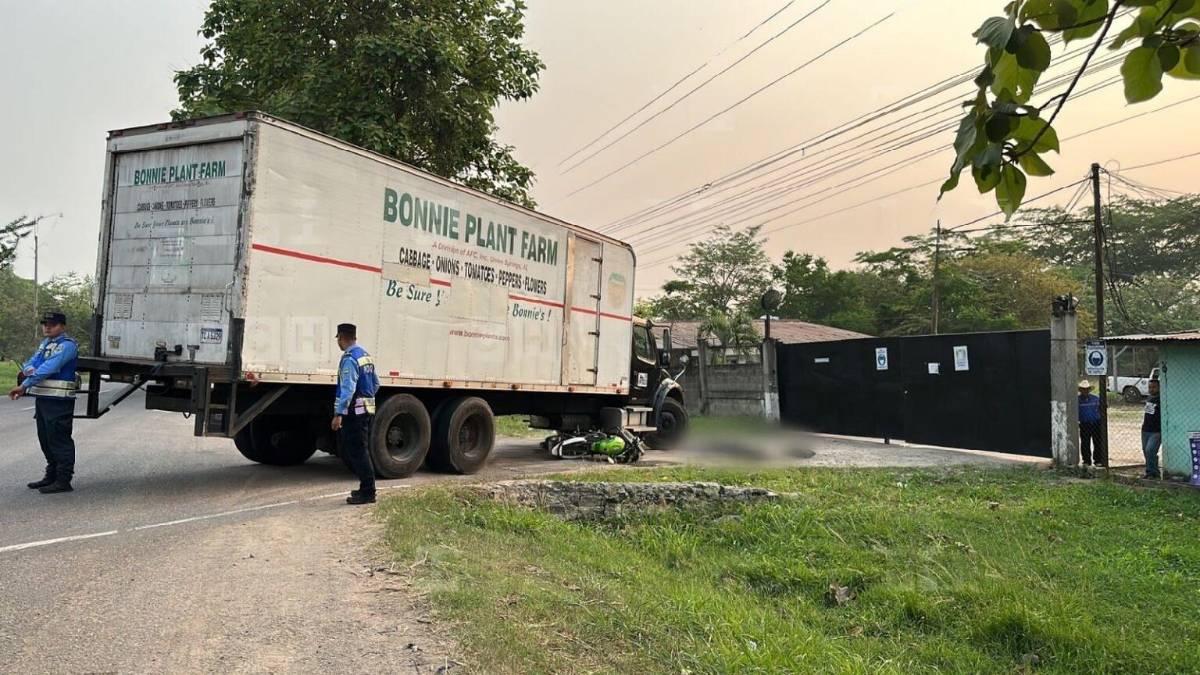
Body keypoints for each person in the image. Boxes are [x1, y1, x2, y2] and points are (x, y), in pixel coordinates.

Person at [8, 311, 79, 493]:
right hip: (44, 399)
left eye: (52, 324)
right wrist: (30, 370)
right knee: (45, 439)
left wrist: (24, 385)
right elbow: (29, 363)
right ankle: (51, 475)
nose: (47, 327)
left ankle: (63, 479)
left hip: (59, 400)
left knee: (59, 439)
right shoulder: (46, 344)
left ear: (63, 326)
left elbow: (48, 367)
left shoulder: (66, 346)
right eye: (45, 324)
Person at [332, 323, 380, 505]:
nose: (338, 342)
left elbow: (348, 389)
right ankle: (365, 488)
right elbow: (376, 384)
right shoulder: (365, 356)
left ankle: (368, 492)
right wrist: (366, 398)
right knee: (359, 450)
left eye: (338, 339)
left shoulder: (350, 358)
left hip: (354, 413)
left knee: (358, 452)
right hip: (366, 410)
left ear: (341, 338)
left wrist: (339, 414)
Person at [1077, 379, 1105, 467]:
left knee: (1097, 442)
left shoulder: (1096, 398)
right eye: (1083, 389)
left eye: (1087, 389)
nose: (1085, 391)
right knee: (1085, 442)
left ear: (1089, 389)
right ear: (1080, 390)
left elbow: (1103, 408)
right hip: (1084, 424)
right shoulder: (1077, 400)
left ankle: (1098, 460)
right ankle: (1086, 461)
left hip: (1096, 423)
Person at [1142, 377, 1162, 479]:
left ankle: (1153, 472)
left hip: (1156, 430)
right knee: (1146, 451)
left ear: (1159, 388)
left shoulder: (1161, 399)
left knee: (1150, 450)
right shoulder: (1149, 398)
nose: (1151, 389)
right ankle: (1151, 472)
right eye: (1150, 387)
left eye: (1154, 387)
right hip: (1145, 429)